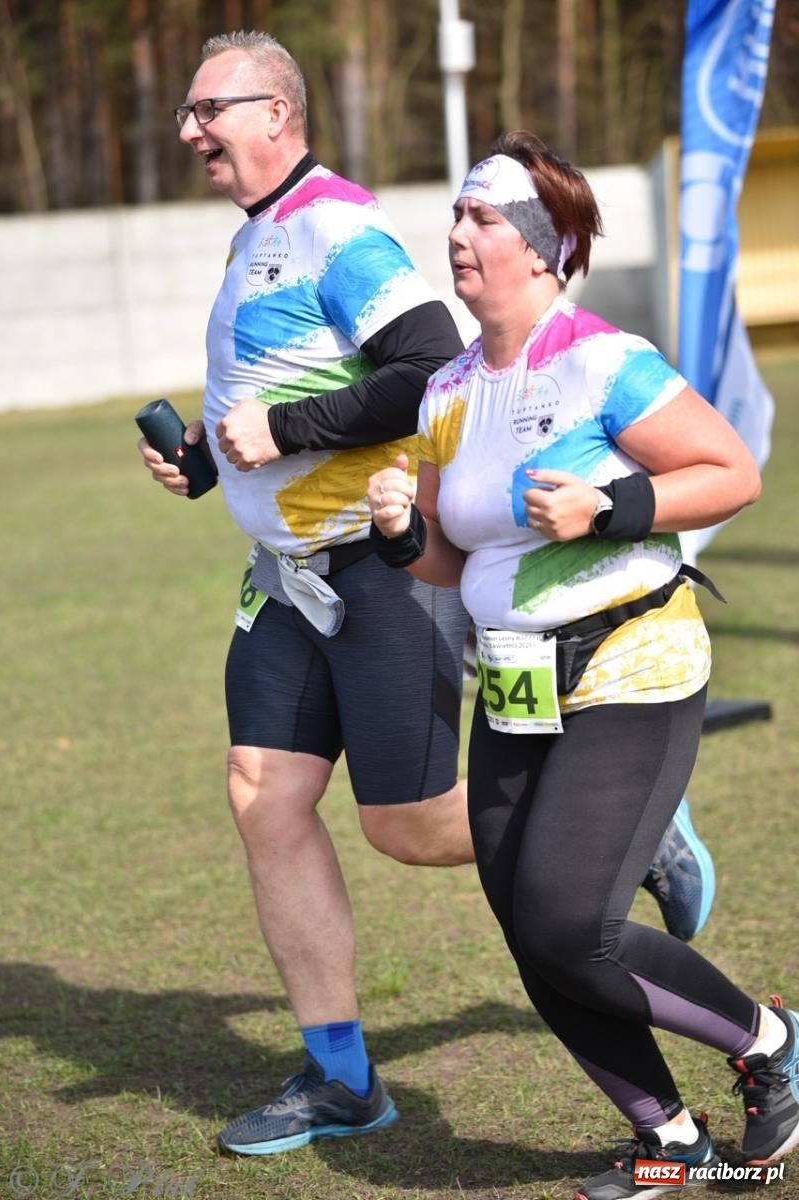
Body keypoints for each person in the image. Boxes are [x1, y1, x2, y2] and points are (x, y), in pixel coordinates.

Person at [139, 31, 714, 1158]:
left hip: (377, 570)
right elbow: (283, 391)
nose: (191, 130)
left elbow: (420, 367)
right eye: (187, 112)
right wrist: (212, 457)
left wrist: (287, 429)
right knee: (262, 795)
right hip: (282, 585)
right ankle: (342, 1078)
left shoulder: (335, 230)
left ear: (278, 113)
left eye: (211, 108)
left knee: (403, 829)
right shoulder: (253, 239)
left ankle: (635, 838)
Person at [368, 131, 799, 1200]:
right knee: (531, 931)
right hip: (514, 682)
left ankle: (776, 1043)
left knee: (573, 922)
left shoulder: (604, 359)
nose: (458, 233)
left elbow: (729, 470)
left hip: (630, 664)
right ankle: (672, 1140)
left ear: (544, 245)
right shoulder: (447, 392)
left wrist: (613, 505)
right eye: (458, 215)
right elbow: (449, 554)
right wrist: (390, 532)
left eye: (482, 218)